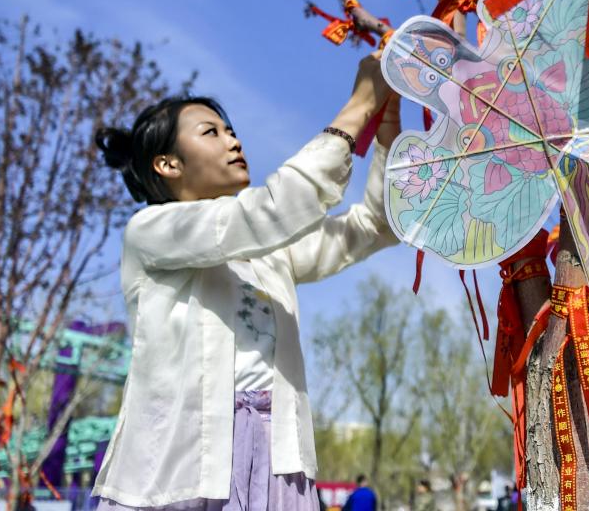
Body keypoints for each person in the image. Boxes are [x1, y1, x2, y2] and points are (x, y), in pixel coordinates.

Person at [89, 53, 399, 509]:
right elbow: (271, 210)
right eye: (211, 132)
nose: (232, 140)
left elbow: (373, 226)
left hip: (278, 456)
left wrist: (387, 128)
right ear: (167, 165)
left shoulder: (269, 251)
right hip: (188, 458)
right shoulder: (151, 232)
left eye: (231, 130)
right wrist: (357, 107)